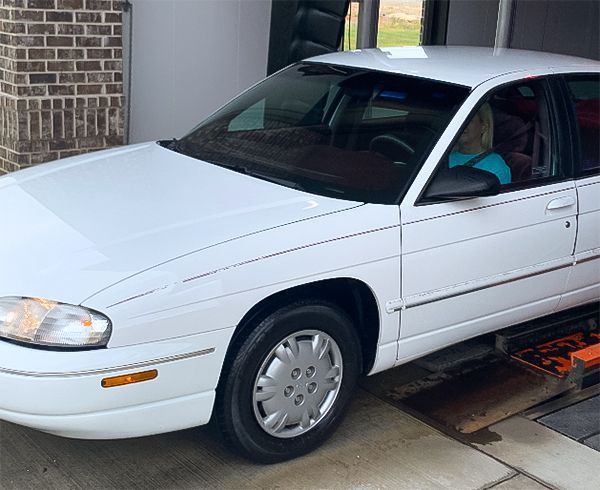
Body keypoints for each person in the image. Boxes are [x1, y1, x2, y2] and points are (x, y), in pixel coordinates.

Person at [449, 103, 511, 184]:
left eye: (469, 120)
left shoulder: (496, 166)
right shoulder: (440, 158)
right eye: (459, 120)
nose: (462, 125)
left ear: (483, 127)